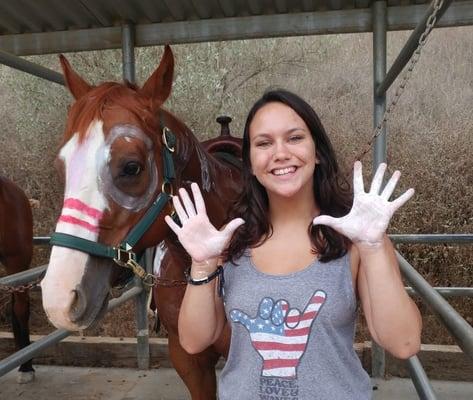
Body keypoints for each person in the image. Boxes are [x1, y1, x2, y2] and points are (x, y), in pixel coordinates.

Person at [164, 89, 422, 399]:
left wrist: (373, 246)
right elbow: (193, 341)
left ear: (318, 152)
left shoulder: (355, 239)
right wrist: (203, 264)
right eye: (264, 143)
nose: (280, 153)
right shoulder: (229, 242)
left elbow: (404, 343)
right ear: (250, 163)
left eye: (295, 138)